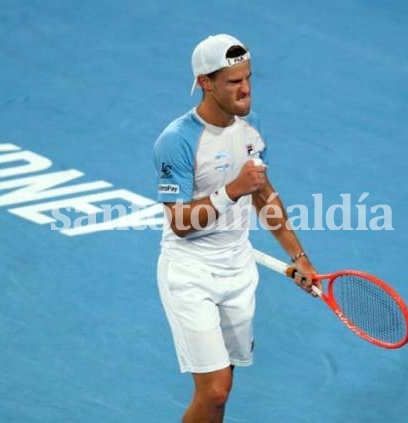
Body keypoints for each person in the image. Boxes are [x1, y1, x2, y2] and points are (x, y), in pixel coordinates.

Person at [152, 33, 318, 422]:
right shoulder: (176, 141)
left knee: (223, 389)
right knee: (213, 392)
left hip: (239, 271)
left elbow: (264, 195)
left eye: (248, 78)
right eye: (233, 81)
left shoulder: (250, 126)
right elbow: (179, 224)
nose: (245, 89)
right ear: (205, 83)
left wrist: (300, 257)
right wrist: (232, 191)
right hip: (190, 273)